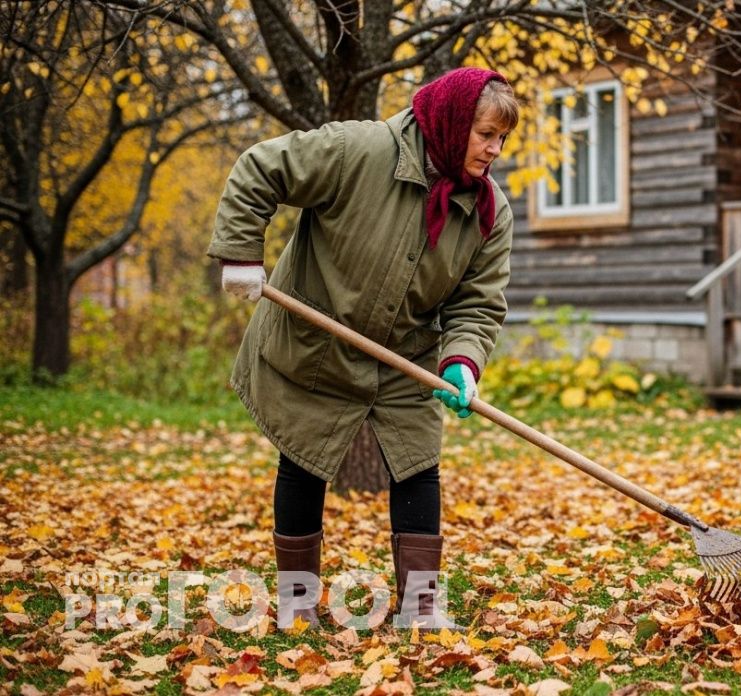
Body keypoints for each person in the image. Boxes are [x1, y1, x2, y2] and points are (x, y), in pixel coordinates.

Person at [206, 67, 517, 630]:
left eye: (502, 139)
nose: (495, 149)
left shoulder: (488, 211)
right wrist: (240, 253)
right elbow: (259, 168)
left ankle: (421, 610)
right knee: (303, 460)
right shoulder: (359, 150)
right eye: (486, 134)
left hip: (407, 354)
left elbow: (478, 302)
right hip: (317, 339)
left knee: (419, 464)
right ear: (451, 123)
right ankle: (298, 608)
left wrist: (463, 361)